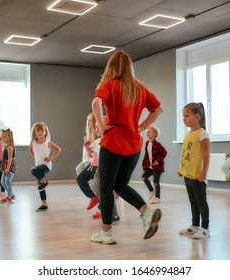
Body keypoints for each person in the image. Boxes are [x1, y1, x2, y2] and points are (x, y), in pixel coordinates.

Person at [91, 50, 163, 245]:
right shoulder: (139, 87)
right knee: (120, 185)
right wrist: (141, 127)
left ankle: (106, 232)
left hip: (114, 142)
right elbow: (158, 109)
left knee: (106, 188)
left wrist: (102, 125)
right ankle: (146, 213)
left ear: (111, 66)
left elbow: (95, 102)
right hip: (133, 145)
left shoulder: (110, 85)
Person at [178, 102, 210, 239]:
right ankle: (195, 225)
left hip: (198, 175)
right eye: (183, 116)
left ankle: (205, 228)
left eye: (186, 116)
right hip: (188, 173)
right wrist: (182, 169)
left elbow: (206, 154)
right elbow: (185, 153)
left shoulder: (202, 134)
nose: (184, 119)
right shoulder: (187, 134)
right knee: (192, 200)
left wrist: (204, 172)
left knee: (201, 201)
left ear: (197, 117)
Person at [29, 122, 61, 212]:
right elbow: (30, 149)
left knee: (33, 170)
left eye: (41, 130)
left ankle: (44, 181)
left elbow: (58, 149)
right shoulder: (33, 143)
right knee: (40, 186)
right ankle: (44, 204)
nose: (39, 132)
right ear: (35, 133)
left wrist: (50, 158)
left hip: (46, 166)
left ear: (45, 132)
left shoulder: (48, 143)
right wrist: (35, 157)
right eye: (37, 131)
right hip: (38, 167)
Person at [76, 113, 99, 211]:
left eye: (90, 121)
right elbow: (86, 151)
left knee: (82, 179)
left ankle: (95, 198)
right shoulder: (86, 133)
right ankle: (94, 196)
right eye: (87, 120)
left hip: (92, 161)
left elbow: (93, 154)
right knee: (78, 170)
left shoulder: (97, 136)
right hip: (86, 160)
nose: (88, 123)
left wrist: (88, 149)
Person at [141, 126, 167, 204]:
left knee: (156, 181)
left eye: (149, 132)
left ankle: (157, 197)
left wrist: (158, 161)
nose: (147, 133)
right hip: (150, 166)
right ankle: (151, 190)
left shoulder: (157, 144)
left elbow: (164, 152)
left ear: (154, 134)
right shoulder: (147, 143)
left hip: (157, 167)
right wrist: (145, 164)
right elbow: (147, 155)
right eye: (146, 132)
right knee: (144, 177)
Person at [0, 129, 16, 203]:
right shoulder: (5, 146)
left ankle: (9, 196)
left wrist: (8, 168)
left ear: (10, 137)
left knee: (7, 181)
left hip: (9, 166)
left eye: (4, 137)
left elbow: (10, 158)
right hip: (5, 165)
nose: (3, 138)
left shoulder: (10, 147)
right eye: (2, 137)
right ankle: (11, 194)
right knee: (2, 181)